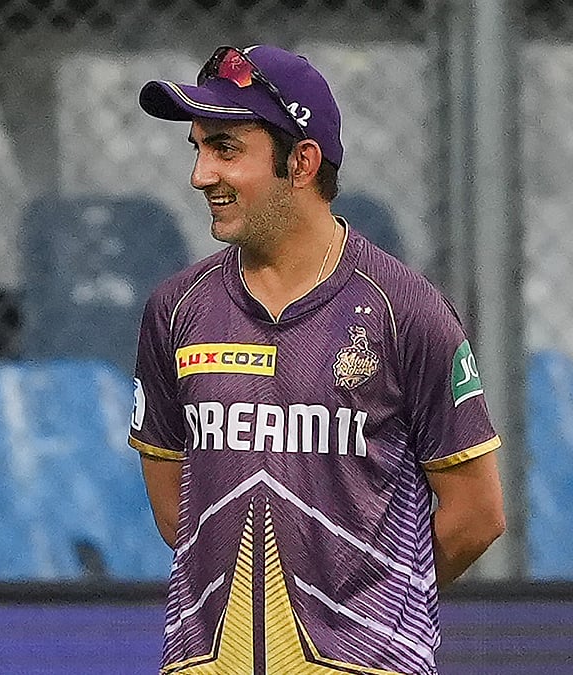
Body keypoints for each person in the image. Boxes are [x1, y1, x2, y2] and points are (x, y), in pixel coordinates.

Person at [127, 45, 506, 674]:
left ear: (301, 163)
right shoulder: (174, 308)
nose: (200, 175)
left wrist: (376, 606)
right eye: (196, 149)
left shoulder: (405, 309)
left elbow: (477, 514)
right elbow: (178, 513)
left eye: (225, 149)